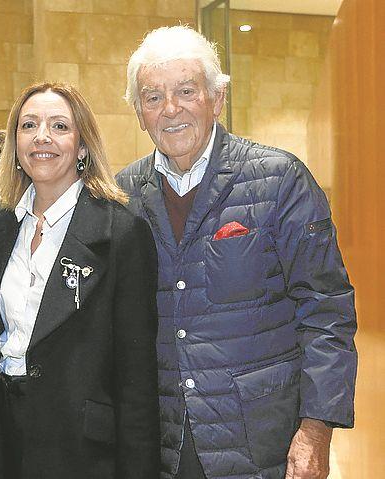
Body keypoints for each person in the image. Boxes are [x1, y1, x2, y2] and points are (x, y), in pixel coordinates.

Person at [116, 26, 357, 479]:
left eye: (186, 91)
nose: (170, 109)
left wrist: (317, 428)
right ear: (138, 112)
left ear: (217, 98)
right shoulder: (122, 195)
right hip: (162, 446)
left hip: (262, 443)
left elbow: (327, 311)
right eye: (152, 97)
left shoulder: (281, 180)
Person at [0, 82, 160, 479]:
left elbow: (137, 379)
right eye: (29, 125)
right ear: (15, 143)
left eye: (59, 126)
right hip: (8, 444)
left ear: (82, 146)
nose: (42, 136)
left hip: (85, 451)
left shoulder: (121, 232)